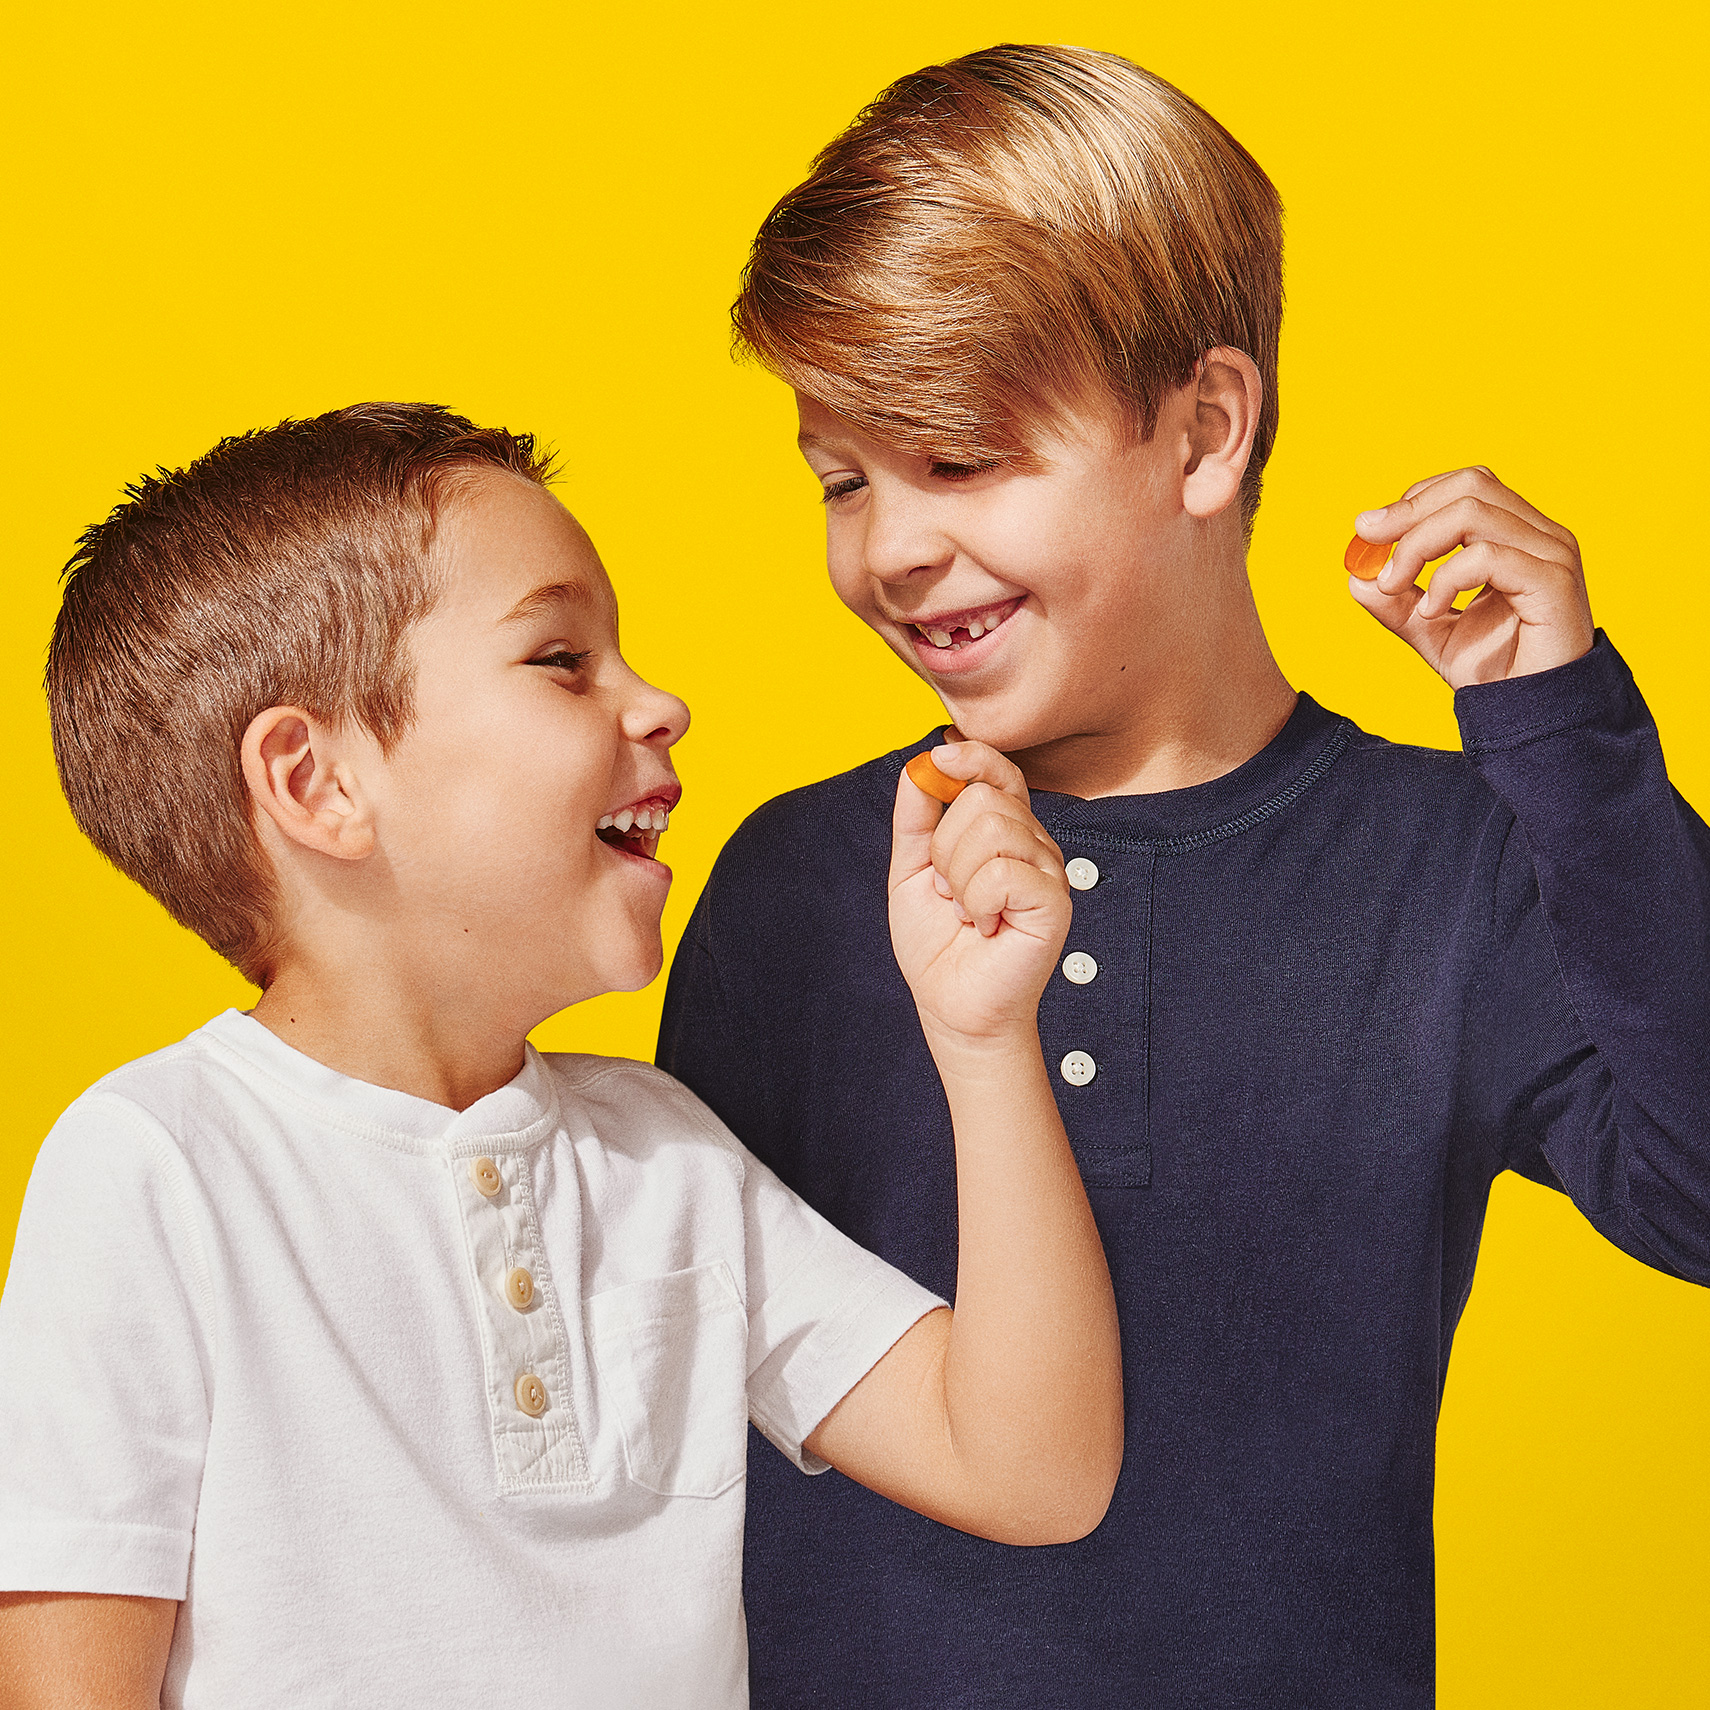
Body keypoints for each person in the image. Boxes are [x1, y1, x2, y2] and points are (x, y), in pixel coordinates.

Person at [656, 42, 1710, 1709]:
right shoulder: (798, 881)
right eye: (842, 479)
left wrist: (1564, 739)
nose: (891, 549)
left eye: (958, 456)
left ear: (1205, 432)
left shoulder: (1457, 866)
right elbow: (679, 1401)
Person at [0, 402, 1123, 1708]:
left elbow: (1033, 1472)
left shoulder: (668, 1156)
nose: (663, 703)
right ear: (318, 784)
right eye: (560, 660)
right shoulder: (157, 1170)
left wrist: (982, 1037)